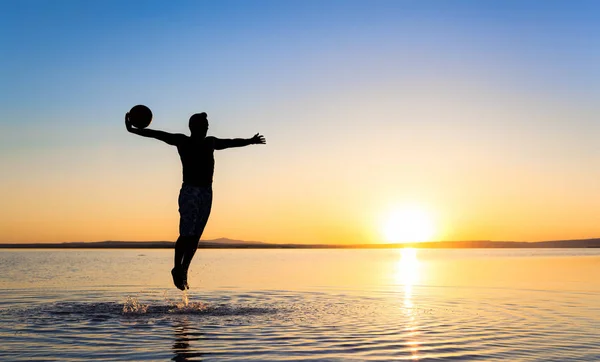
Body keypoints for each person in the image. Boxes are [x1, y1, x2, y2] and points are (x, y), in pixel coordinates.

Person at [125, 112, 266, 290]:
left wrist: (250, 141)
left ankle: (184, 270)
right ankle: (177, 268)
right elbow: (157, 134)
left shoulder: (210, 142)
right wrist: (133, 130)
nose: (207, 127)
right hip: (190, 191)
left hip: (207, 193)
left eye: (207, 125)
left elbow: (230, 142)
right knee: (186, 234)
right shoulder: (183, 141)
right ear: (195, 126)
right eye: (205, 124)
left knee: (196, 237)